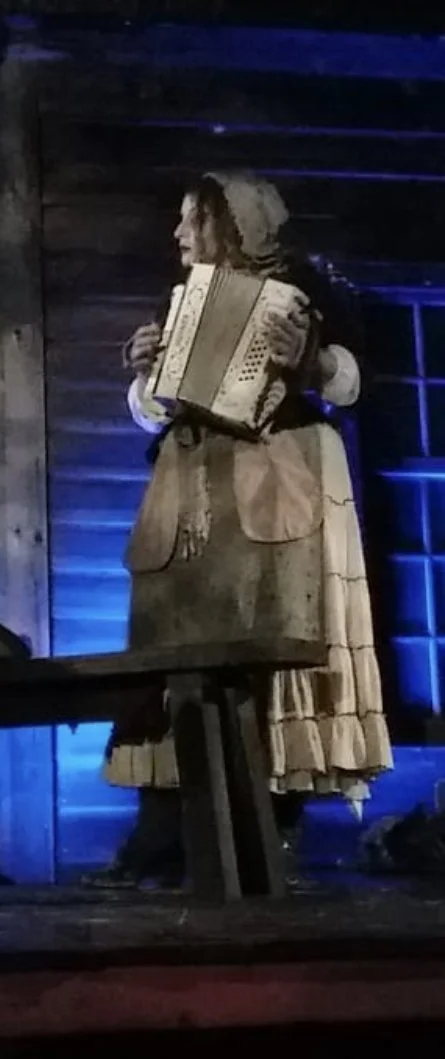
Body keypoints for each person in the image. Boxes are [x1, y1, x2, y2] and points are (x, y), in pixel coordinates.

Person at [83, 170, 394, 890]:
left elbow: (353, 381)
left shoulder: (307, 285)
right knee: (171, 649)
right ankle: (160, 835)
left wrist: (312, 362)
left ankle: (268, 829)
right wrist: (143, 378)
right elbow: (160, 406)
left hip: (277, 473)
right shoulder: (185, 302)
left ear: (233, 224)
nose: (179, 234)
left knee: (268, 646)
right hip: (191, 481)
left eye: (192, 219)